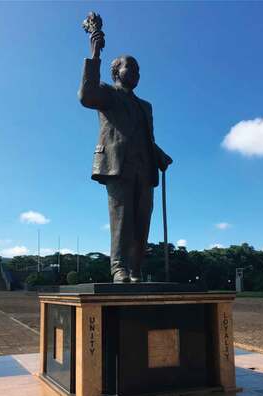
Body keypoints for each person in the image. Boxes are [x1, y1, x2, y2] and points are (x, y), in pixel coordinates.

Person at [78, 30, 172, 283]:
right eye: (131, 68)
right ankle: (118, 268)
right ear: (116, 71)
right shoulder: (108, 94)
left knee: (142, 221)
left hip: (145, 169)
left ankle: (135, 269)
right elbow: (86, 96)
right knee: (121, 219)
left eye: (139, 70)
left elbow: (144, 137)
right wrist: (95, 54)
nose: (136, 74)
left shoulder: (146, 106)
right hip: (118, 166)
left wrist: (158, 154)